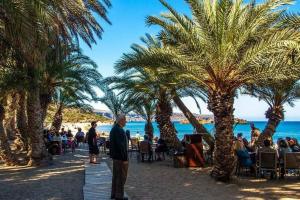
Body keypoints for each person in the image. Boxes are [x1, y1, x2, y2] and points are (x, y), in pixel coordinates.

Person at [110, 114, 128, 200]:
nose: (126, 121)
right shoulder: (119, 130)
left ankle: (114, 194)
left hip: (116, 157)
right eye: (125, 120)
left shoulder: (114, 129)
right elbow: (121, 146)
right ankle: (119, 196)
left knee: (116, 176)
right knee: (121, 177)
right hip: (120, 158)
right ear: (121, 120)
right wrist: (125, 158)